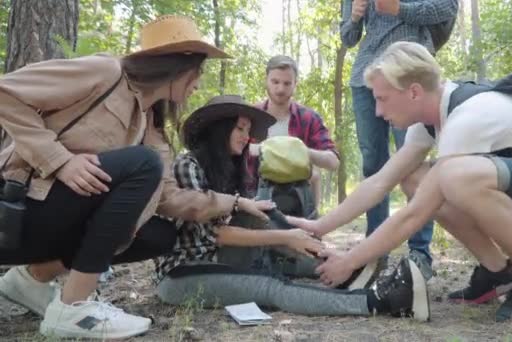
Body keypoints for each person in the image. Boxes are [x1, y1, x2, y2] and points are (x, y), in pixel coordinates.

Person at [288, 41, 512, 323]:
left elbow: (415, 214)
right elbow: (380, 182)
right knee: (413, 175)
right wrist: (319, 227)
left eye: (382, 99)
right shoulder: (433, 119)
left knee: (453, 176)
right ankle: (498, 273)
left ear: (413, 92)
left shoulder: (467, 118)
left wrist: (349, 261)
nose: (379, 111)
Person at [0, 15, 262, 339]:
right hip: (17, 208)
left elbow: (170, 199)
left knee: (158, 235)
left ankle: (29, 281)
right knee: (143, 163)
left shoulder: (150, 128)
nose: (198, 83)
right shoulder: (105, 72)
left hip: (46, 223)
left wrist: (236, 203)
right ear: (178, 65)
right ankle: (74, 307)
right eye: (198, 71)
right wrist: (61, 161)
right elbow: (6, 92)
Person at [154, 95, 430, 321]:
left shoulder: (227, 170)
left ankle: (346, 268)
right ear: (219, 129)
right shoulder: (187, 165)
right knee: (272, 286)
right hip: (183, 273)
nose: (246, 137)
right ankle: (380, 302)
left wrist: (289, 229)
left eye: (248, 130)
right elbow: (216, 234)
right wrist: (286, 236)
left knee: (264, 211)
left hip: (221, 257)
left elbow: (242, 221)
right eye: (240, 129)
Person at [340, 0, 459, 277]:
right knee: (373, 163)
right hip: (365, 78)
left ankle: (419, 255)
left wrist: (399, 9)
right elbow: (348, 38)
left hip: (409, 74)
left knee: (414, 165)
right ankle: (374, 251)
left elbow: (447, 8)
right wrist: (355, 18)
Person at [248, 55, 339, 211]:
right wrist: (259, 149)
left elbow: (333, 162)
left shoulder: (309, 118)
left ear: (295, 84)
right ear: (266, 80)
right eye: (275, 82)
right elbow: (231, 153)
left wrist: (300, 151)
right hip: (254, 197)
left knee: (314, 176)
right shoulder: (250, 116)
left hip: (299, 197)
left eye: (287, 83)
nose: (280, 89)